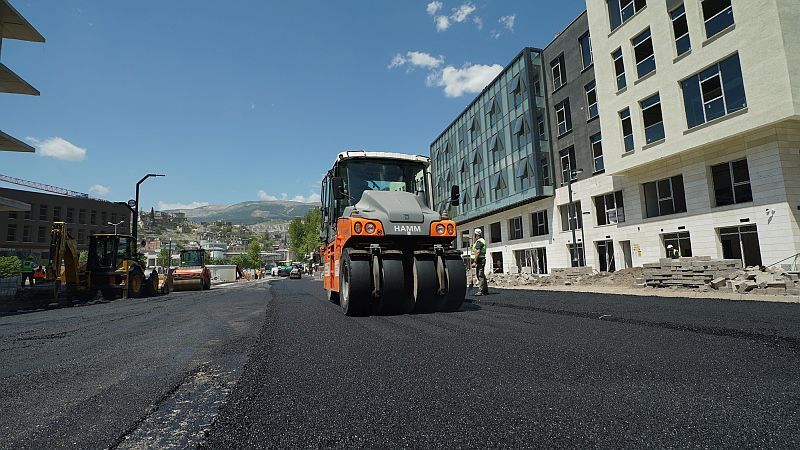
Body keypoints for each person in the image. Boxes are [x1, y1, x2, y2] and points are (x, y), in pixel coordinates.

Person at [470, 228, 488, 296]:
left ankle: (481, 291)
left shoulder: (479, 242)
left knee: (480, 275)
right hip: (481, 259)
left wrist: (474, 261)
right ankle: (485, 290)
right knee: (482, 275)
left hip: (480, 260)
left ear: (476, 234)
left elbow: (477, 252)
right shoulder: (481, 241)